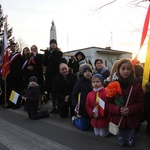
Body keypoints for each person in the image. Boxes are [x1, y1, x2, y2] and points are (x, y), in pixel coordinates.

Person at [105, 58, 144, 147]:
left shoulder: (137, 86)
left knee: (130, 144)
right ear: (118, 70)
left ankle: (132, 132)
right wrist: (118, 109)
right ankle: (123, 133)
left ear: (132, 70)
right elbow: (108, 103)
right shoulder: (113, 85)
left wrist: (130, 109)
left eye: (128, 69)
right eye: (123, 69)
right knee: (121, 143)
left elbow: (140, 103)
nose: (126, 71)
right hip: (119, 121)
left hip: (132, 121)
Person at [43, 39, 63, 113]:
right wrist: (46, 55)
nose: (53, 44)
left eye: (54, 43)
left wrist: (50, 56)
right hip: (49, 74)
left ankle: (58, 106)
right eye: (51, 43)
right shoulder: (47, 53)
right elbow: (45, 63)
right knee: (51, 91)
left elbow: (57, 61)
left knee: (56, 90)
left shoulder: (59, 53)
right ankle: (53, 106)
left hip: (56, 73)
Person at [71, 64, 93, 131]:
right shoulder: (79, 82)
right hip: (83, 108)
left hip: (91, 108)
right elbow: (74, 94)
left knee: (92, 127)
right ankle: (75, 120)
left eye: (89, 71)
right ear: (83, 73)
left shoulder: (93, 81)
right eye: (85, 71)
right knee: (84, 127)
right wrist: (76, 105)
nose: (88, 73)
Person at [5, 42, 23, 109]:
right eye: (11, 46)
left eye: (13, 46)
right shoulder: (10, 56)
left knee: (16, 90)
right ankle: (11, 103)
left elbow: (19, 66)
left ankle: (16, 104)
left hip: (16, 76)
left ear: (16, 47)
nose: (12, 47)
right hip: (11, 76)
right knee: (11, 90)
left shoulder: (18, 56)